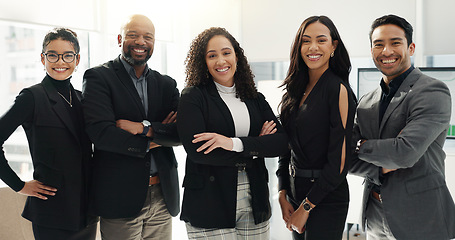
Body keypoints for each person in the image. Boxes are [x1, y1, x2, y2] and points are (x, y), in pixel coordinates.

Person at [350, 14, 455, 240]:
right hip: (375, 216)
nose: (386, 51)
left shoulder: (431, 91)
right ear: (371, 51)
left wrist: (360, 145)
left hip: (421, 217)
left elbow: (404, 154)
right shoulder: (365, 102)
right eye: (379, 44)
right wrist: (378, 163)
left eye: (395, 42)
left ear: (411, 47)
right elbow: (345, 159)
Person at [177, 27, 289, 239]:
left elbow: (281, 143)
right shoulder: (193, 97)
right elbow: (198, 152)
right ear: (203, 62)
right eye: (212, 55)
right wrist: (256, 147)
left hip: (254, 198)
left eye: (226, 53)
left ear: (236, 56)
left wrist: (232, 143)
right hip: (209, 202)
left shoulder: (255, 98)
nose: (221, 61)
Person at [82, 14, 180, 240]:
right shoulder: (99, 77)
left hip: (163, 195)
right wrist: (157, 137)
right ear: (119, 39)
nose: (141, 42)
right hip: (119, 195)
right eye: (133, 35)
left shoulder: (166, 84)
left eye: (148, 37)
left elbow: (181, 133)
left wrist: (142, 129)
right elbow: (102, 133)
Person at [0, 28, 97, 240]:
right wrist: (19, 186)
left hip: (87, 212)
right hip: (52, 214)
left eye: (68, 55)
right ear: (42, 58)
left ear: (77, 59)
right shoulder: (31, 97)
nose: (60, 61)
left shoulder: (84, 100)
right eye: (52, 54)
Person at [276, 16, 357, 239]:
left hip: (326, 197)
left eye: (321, 40)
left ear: (334, 46)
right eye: (306, 41)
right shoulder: (294, 90)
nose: (313, 47)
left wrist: (307, 207)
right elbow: (286, 147)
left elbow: (339, 163)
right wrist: (282, 192)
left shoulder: (338, 90)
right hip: (295, 192)